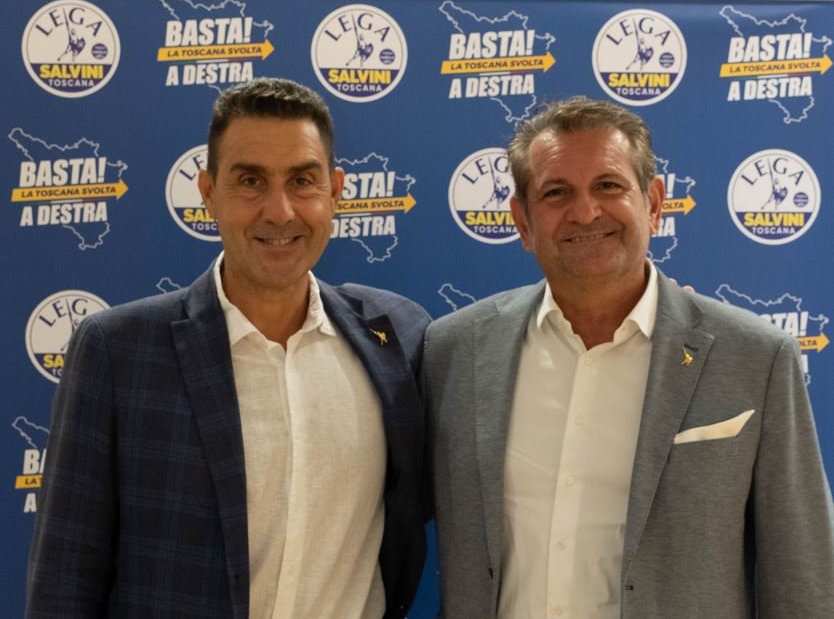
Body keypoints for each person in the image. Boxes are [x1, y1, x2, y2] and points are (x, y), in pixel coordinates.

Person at [26, 78, 429, 619]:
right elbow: (64, 578)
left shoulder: (398, 335)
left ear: (335, 192)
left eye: (302, 180)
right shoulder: (118, 352)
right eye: (250, 181)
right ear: (209, 192)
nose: (279, 211)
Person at [423, 96, 834, 618]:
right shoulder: (454, 351)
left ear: (654, 204)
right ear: (522, 222)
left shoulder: (755, 357)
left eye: (608, 185)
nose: (585, 212)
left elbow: (803, 576)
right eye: (556, 192)